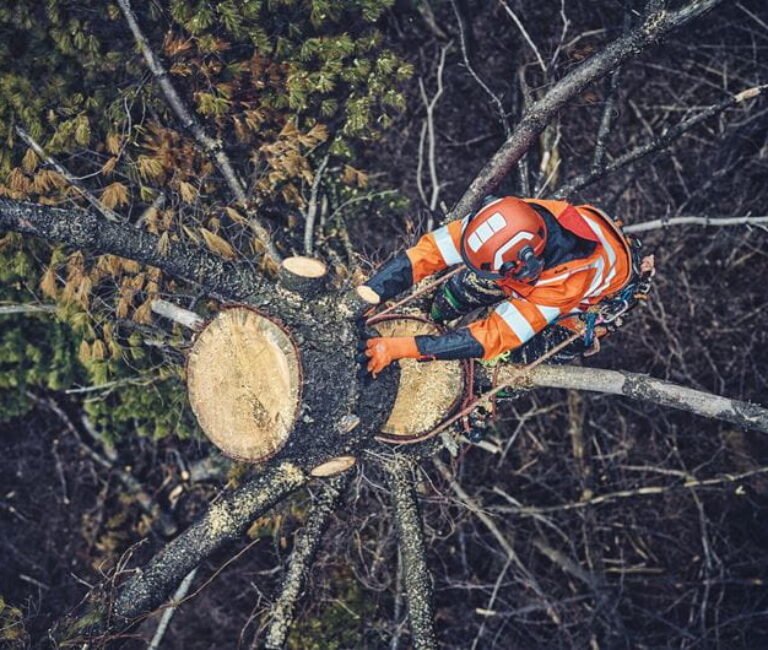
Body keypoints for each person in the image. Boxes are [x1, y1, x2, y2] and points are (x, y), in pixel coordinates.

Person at [357, 195, 649, 377]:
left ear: (524, 267)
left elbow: (494, 336)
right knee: (462, 288)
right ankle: (433, 317)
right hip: (533, 263)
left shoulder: (564, 284)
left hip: (585, 301)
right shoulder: (506, 218)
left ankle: (479, 401)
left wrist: (401, 347)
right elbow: (430, 251)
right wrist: (374, 290)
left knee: (510, 363)